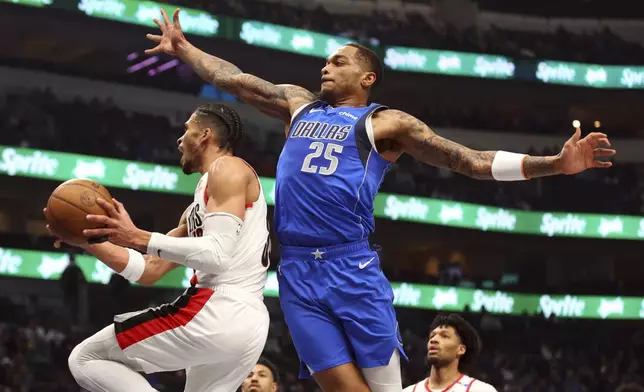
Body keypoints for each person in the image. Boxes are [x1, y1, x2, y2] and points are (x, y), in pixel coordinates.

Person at [144, 9, 616, 392]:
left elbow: (469, 160)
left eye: (338, 61)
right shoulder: (298, 103)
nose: (325, 67)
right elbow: (236, 79)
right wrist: (185, 50)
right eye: (324, 62)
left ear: (368, 77)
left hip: (351, 267)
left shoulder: (386, 123)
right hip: (296, 272)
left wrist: (555, 164)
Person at [45, 103, 272, 392]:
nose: (179, 140)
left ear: (205, 135)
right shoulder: (196, 209)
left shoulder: (226, 167)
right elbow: (148, 270)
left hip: (219, 309)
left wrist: (137, 236)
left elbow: (217, 255)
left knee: (87, 357)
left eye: (186, 130)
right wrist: (88, 242)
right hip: (248, 326)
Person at [403, 314, 496, 392]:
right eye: (432, 336)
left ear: (461, 349)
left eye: (444, 336)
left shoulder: (481, 390)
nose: (434, 340)